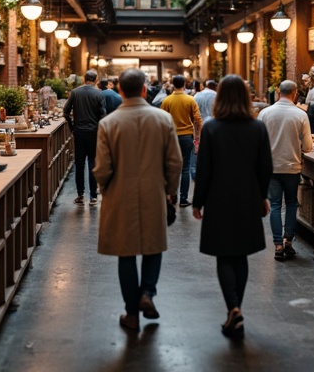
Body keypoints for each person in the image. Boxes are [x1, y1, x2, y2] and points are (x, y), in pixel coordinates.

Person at [95, 68, 182, 332]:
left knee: (126, 253)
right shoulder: (163, 119)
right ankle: (147, 293)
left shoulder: (108, 124)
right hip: (154, 192)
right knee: (153, 247)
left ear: (120, 90)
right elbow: (175, 162)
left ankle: (131, 313)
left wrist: (105, 188)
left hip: (120, 196)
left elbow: (102, 169)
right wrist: (170, 190)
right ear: (145, 89)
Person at [192, 75, 272, 339]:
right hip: (248, 197)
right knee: (242, 254)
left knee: (224, 254)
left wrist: (198, 201)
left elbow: (204, 169)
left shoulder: (212, 128)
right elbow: (265, 168)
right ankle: (236, 307)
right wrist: (262, 197)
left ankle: (233, 308)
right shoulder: (257, 128)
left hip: (219, 198)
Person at [258, 79, 313, 260]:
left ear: (278, 92)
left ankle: (278, 245)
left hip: (271, 166)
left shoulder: (265, 113)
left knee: (274, 205)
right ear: (295, 93)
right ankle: (288, 241)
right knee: (291, 203)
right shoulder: (300, 114)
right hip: (292, 166)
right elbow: (308, 147)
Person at [64, 68, 105, 205]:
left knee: (79, 164)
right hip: (93, 132)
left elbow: (65, 111)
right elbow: (102, 115)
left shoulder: (75, 92)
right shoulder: (98, 94)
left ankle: (80, 194)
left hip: (79, 132)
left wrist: (72, 127)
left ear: (84, 79)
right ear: (96, 80)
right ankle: (93, 197)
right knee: (93, 163)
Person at [160, 74, 202, 206]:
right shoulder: (190, 99)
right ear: (184, 84)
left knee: (171, 167)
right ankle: (183, 199)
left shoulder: (167, 101)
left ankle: (172, 196)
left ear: (172, 84)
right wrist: (197, 136)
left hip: (171, 136)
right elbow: (198, 120)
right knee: (185, 168)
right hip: (186, 137)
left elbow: (161, 120)